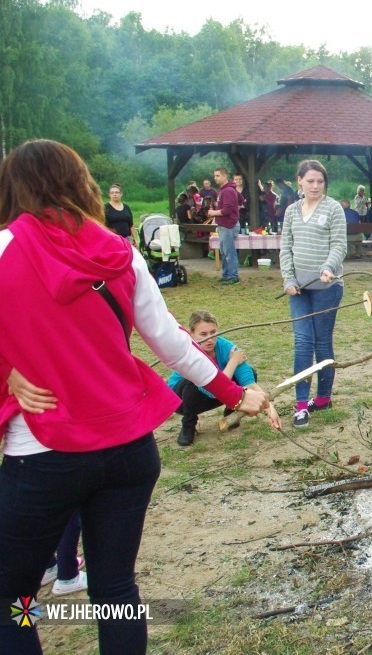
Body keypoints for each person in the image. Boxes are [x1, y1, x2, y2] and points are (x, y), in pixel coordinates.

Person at [0, 139, 269, 654]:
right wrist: (233, 395)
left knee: (12, 601)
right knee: (116, 591)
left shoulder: (5, 250)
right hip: (127, 450)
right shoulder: (120, 254)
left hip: (43, 456)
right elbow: (174, 345)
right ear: (82, 185)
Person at [280, 159, 347, 427]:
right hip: (298, 289)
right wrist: (288, 279)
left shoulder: (333, 209)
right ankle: (300, 404)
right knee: (302, 342)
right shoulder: (291, 211)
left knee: (322, 343)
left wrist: (329, 267)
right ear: (299, 181)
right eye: (310, 181)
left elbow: (339, 244)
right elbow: (285, 247)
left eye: (320, 181)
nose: (315, 186)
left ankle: (323, 397)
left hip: (327, 287)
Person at [167, 310, 281, 446]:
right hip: (181, 400)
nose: (209, 339)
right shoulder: (190, 351)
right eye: (203, 334)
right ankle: (188, 425)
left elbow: (249, 383)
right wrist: (233, 362)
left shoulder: (227, 347)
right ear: (191, 333)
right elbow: (212, 388)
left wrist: (270, 408)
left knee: (251, 372)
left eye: (213, 333)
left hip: (213, 394)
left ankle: (232, 410)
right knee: (192, 381)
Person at [206, 167, 241, 284]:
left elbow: (227, 210)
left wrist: (213, 212)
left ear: (225, 176)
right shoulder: (226, 190)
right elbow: (241, 200)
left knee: (229, 252)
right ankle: (226, 275)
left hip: (229, 225)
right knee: (224, 252)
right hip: (225, 225)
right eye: (214, 176)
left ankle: (233, 276)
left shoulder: (228, 191)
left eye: (218, 176)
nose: (215, 178)